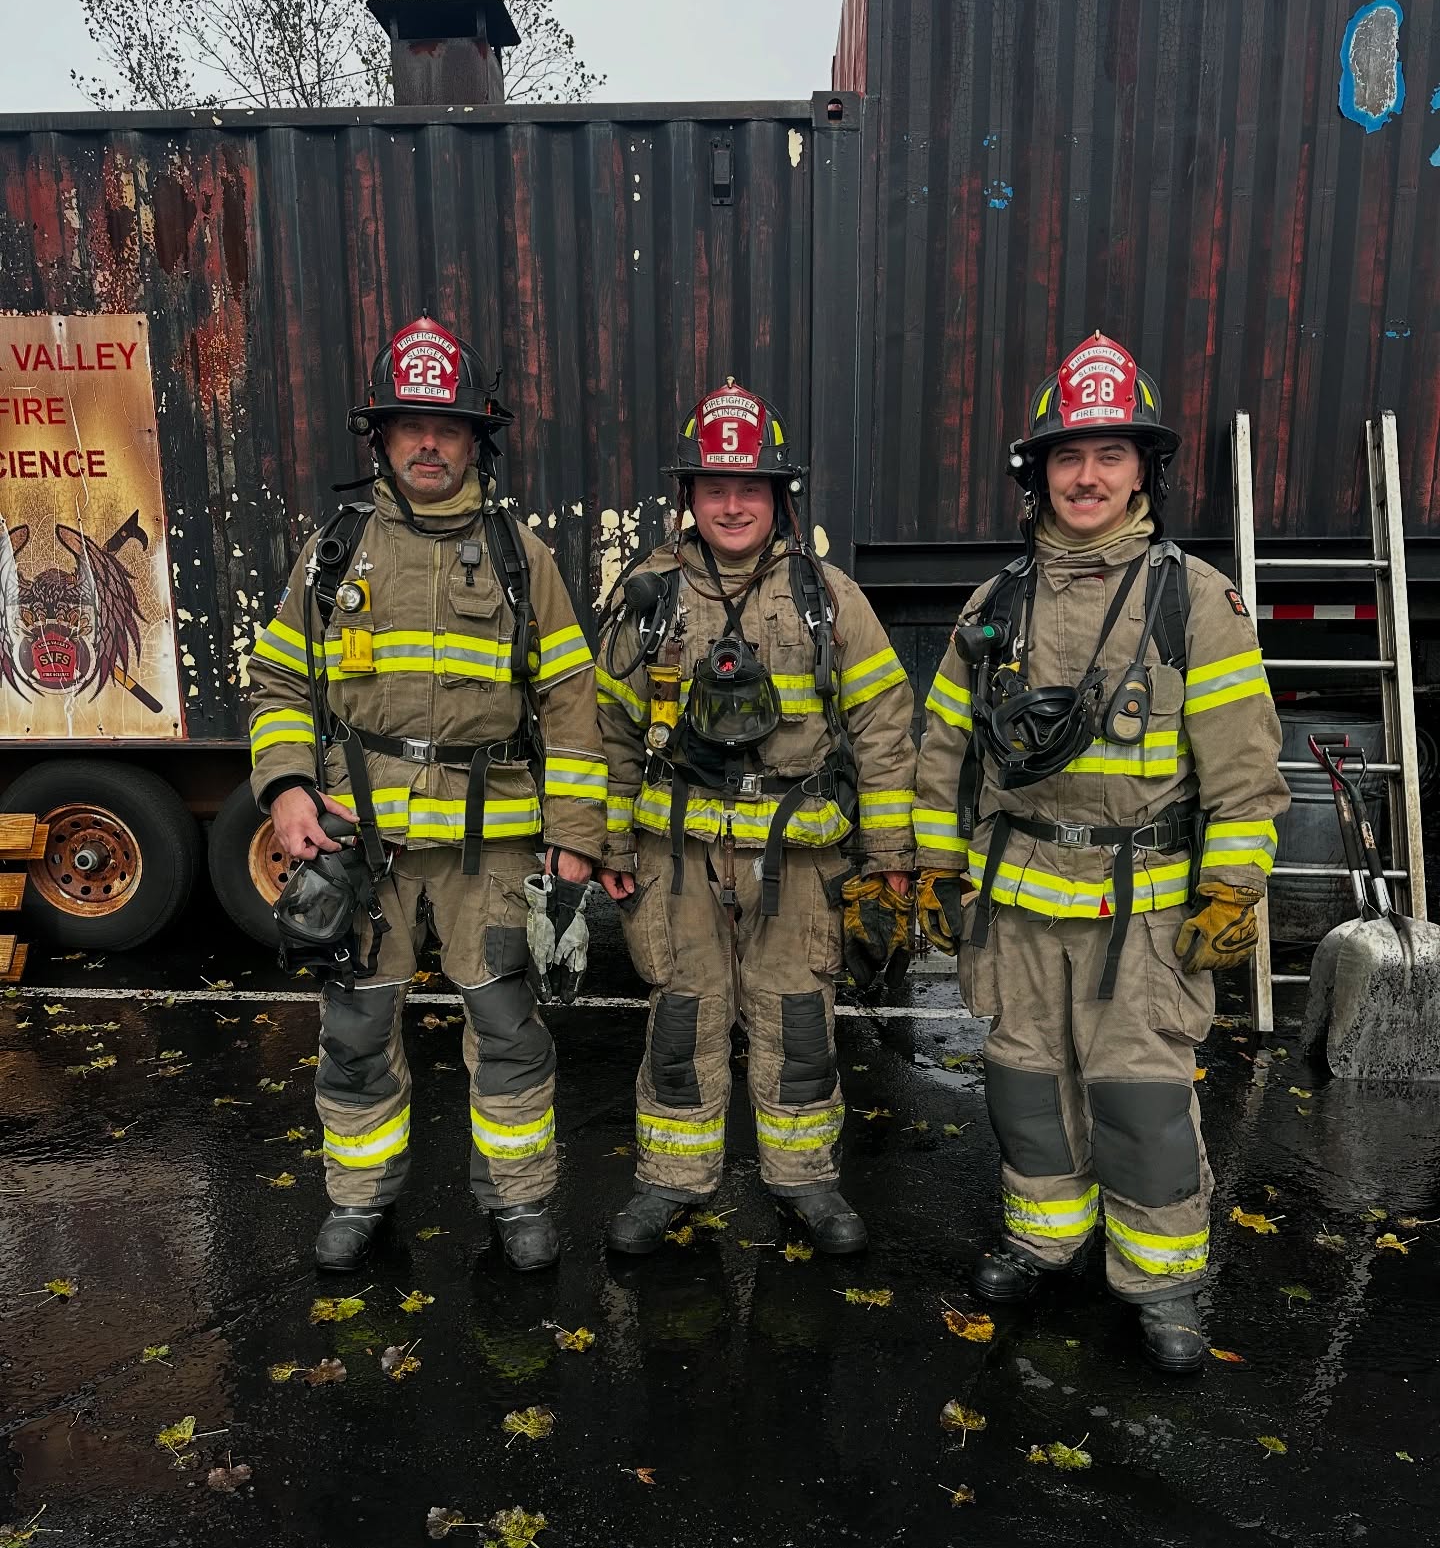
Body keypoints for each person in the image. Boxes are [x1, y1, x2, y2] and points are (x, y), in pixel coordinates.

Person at [913, 332, 1288, 1372]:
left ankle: (1162, 1284)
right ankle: (1045, 1242)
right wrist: (939, 867)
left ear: (1144, 472)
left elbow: (1247, 773)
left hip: (1147, 911)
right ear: (1036, 474)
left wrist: (1230, 886)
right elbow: (942, 749)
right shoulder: (995, 608)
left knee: (1140, 1098)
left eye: (1111, 455)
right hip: (1021, 901)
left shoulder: (1194, 602)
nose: (1087, 477)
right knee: (1026, 1082)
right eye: (1067, 457)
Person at [247, 314, 605, 1273]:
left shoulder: (524, 558)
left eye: (447, 426)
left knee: (509, 1029)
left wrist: (575, 842)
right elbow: (280, 681)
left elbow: (571, 704)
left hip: (489, 851)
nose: (430, 442)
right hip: (355, 841)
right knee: (356, 1030)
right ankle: (360, 1199)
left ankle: (521, 1202)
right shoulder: (335, 553)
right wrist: (286, 789)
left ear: (477, 436)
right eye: (411, 425)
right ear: (383, 438)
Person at [595, 379, 916, 1256]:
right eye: (713, 487)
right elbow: (609, 729)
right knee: (680, 1019)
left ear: (779, 497)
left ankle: (805, 1182)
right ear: (688, 497)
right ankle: (671, 1182)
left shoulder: (828, 598)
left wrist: (889, 855)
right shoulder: (648, 595)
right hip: (677, 857)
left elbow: (886, 729)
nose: (731, 504)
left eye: (750, 488)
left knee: (798, 1022)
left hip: (800, 867)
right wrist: (610, 841)